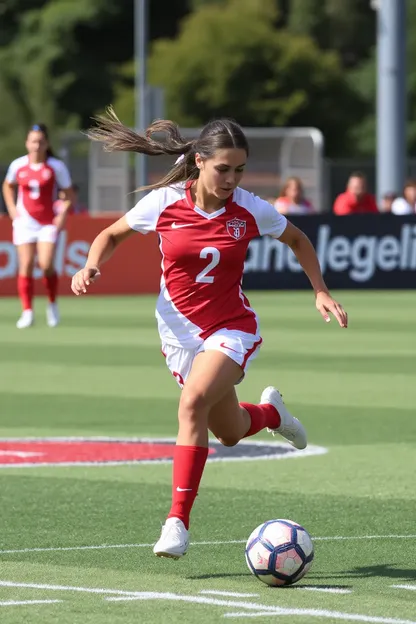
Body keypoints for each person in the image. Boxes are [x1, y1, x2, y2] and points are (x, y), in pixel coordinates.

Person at [71, 109, 348, 560]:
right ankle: (272, 415)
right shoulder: (163, 203)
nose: (231, 179)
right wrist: (90, 265)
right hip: (180, 336)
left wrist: (320, 290)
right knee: (231, 431)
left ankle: (176, 522)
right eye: (223, 169)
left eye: (239, 170)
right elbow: (111, 234)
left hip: (230, 329)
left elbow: (297, 239)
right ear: (199, 161)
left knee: (192, 402)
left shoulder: (250, 210)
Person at [2, 123, 74, 328]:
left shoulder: (56, 167)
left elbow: (68, 194)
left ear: (46, 144)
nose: (36, 145)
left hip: (47, 222)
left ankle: (52, 304)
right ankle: (27, 311)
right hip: (24, 221)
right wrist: (11, 209)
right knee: (25, 265)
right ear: (27, 143)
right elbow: (7, 187)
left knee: (46, 263)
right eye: (33, 141)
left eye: (40, 142)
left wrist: (62, 215)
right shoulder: (18, 165)